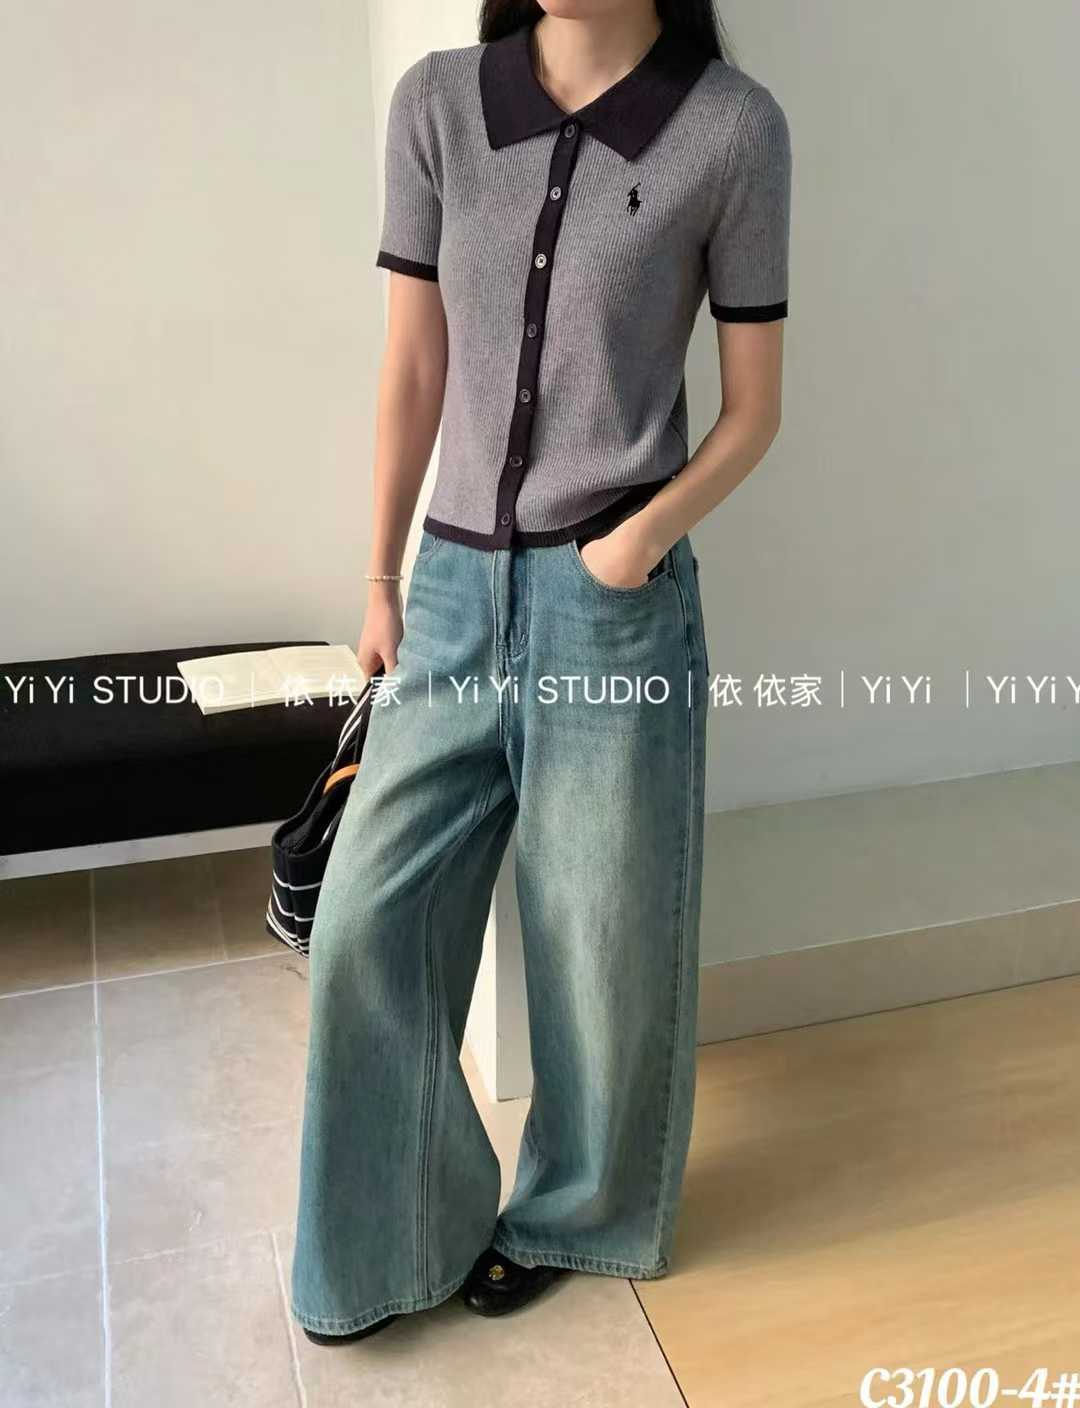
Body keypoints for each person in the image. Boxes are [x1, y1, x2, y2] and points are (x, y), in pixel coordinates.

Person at [291, 0, 790, 1343]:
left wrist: (632, 547)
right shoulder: (440, 104)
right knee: (367, 924)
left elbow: (754, 410)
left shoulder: (731, 130)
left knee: (604, 939)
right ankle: (388, 1239)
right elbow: (414, 364)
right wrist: (382, 578)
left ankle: (582, 1214)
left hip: (608, 604)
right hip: (450, 592)